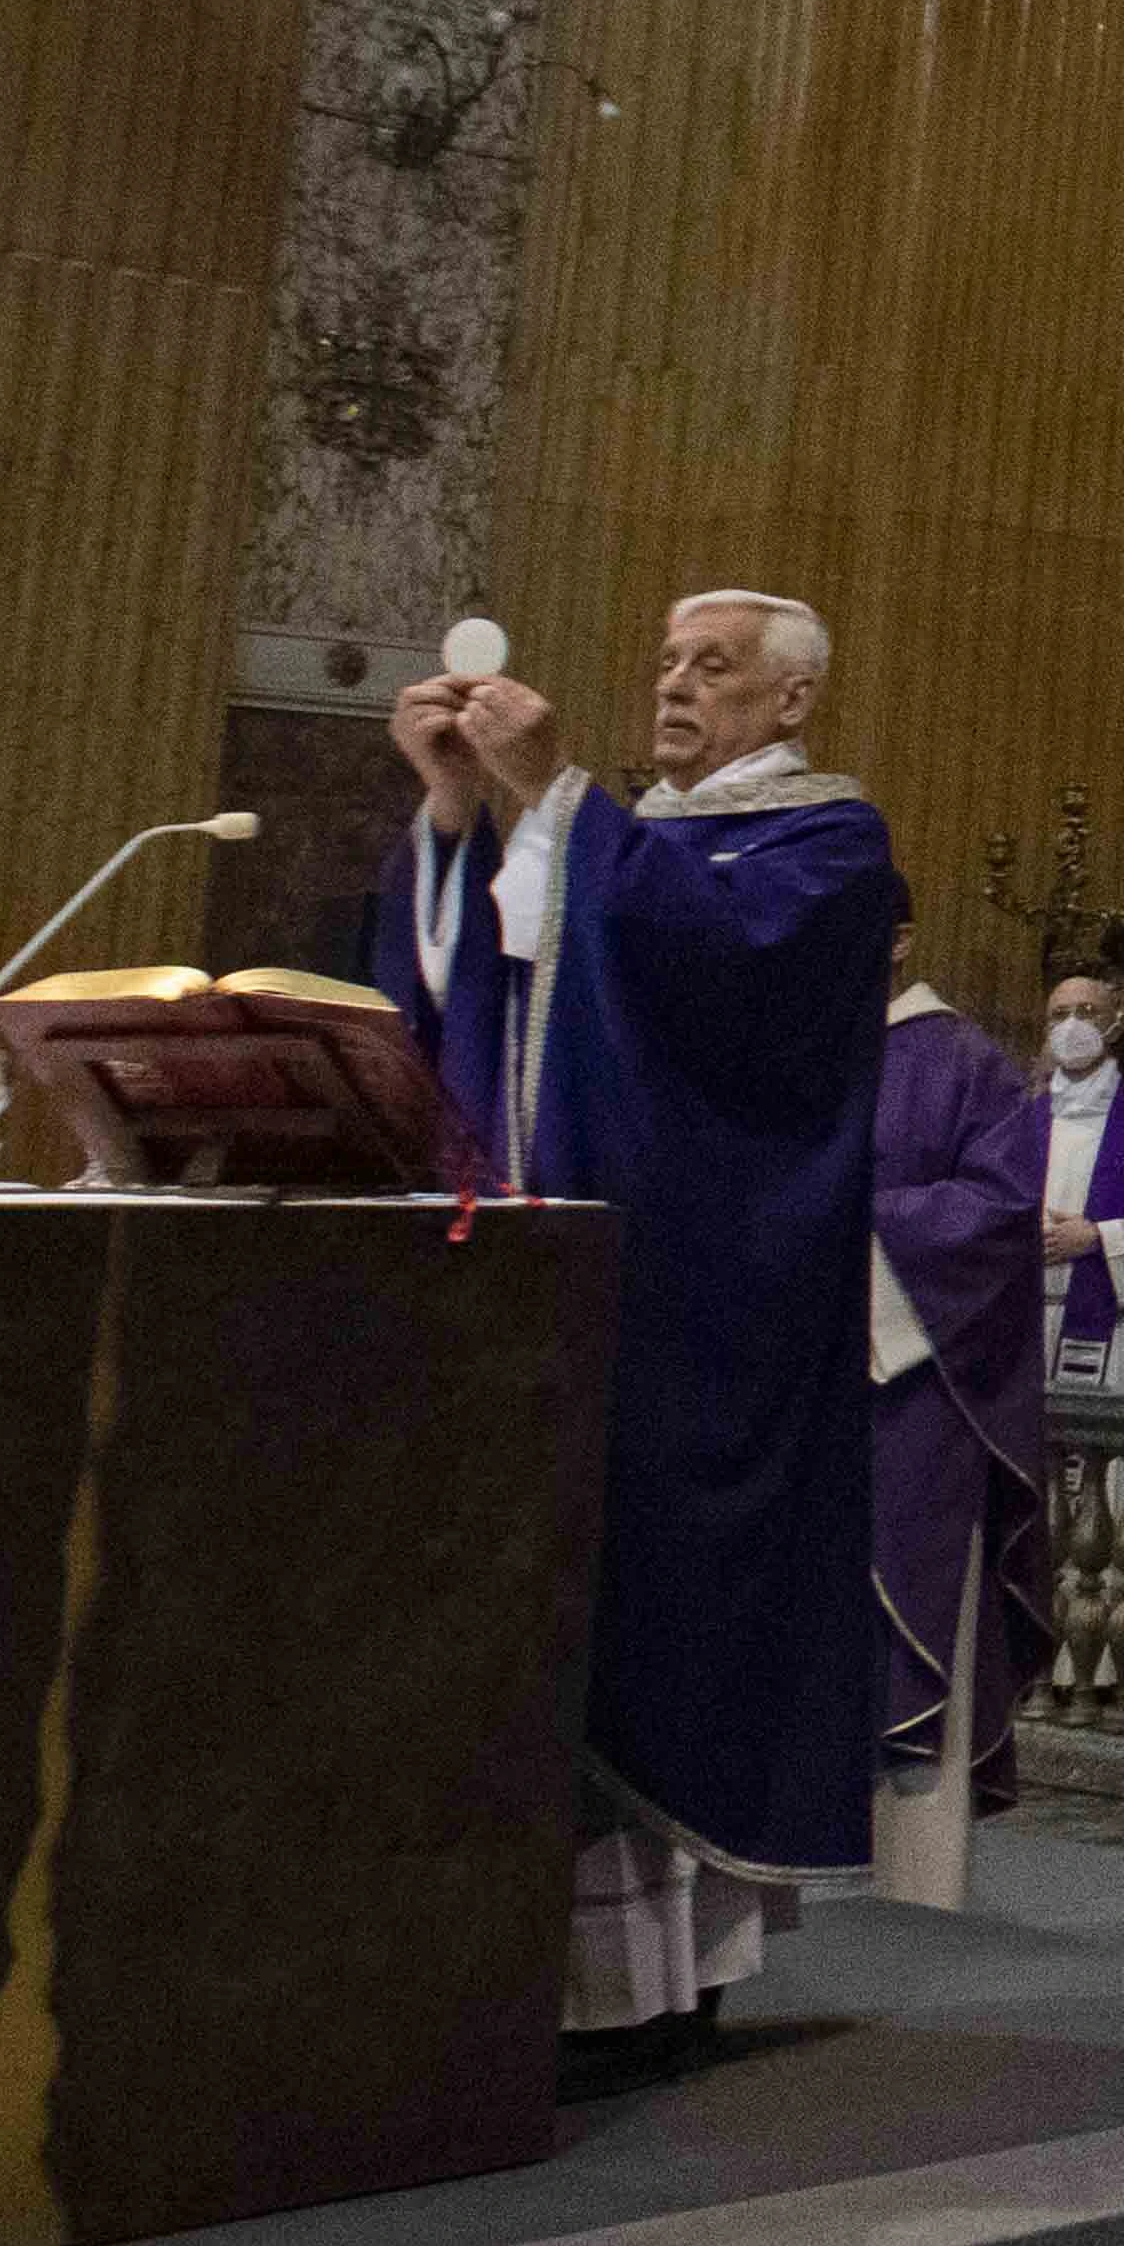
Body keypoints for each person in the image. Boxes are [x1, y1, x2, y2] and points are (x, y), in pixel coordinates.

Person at [373, 590, 892, 2052]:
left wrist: (552, 798)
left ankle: (651, 1991)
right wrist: (461, 816)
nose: (671, 684)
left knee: (652, 1604)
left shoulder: (828, 844)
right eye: (661, 658)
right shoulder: (621, 828)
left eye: (711, 665)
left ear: (790, 701)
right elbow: (485, 994)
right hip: (544, 1294)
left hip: (694, 1300)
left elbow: (716, 981)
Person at [865, 931, 1048, 1913]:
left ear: (898, 940)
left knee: (917, 1610)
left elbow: (996, 1213)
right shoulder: (792, 1041)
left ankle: (916, 1890)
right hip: (799, 1400)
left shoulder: (959, 1059)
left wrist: (842, 1221)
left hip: (917, 1393)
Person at [1027, 972, 1124, 1391]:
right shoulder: (1013, 1125)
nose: (1072, 1024)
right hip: (1022, 1323)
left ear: (1115, 1025)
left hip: (1123, 1327)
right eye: (1059, 1015)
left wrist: (1100, 1239)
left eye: (1088, 1012)